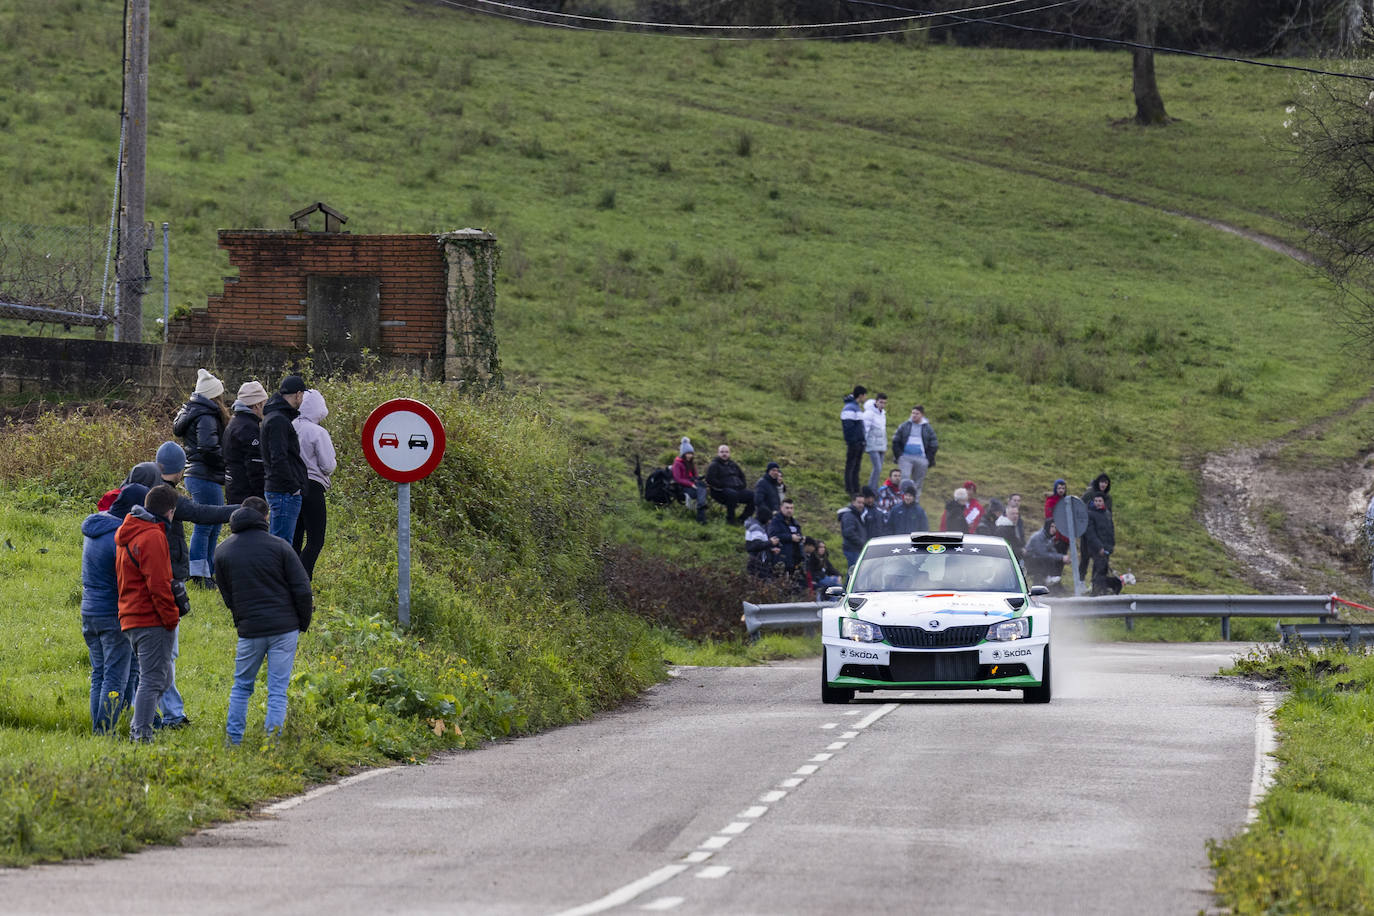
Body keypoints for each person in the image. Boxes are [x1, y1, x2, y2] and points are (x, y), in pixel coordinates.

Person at [124, 442, 237, 730]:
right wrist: (240, 510)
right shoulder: (165, 500)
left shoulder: (132, 499)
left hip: (133, 598)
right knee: (163, 659)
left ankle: (154, 715)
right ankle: (166, 716)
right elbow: (202, 513)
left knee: (149, 663)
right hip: (164, 582)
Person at [215, 496, 314, 746]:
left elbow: (227, 595)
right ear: (266, 517)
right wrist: (302, 622)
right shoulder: (280, 546)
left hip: (250, 629)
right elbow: (302, 589)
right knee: (277, 689)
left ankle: (233, 741)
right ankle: (272, 743)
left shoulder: (223, 551)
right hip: (285, 627)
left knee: (241, 687)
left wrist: (242, 619)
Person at [116, 484, 181, 743]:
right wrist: (171, 617)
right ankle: (140, 734)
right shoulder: (152, 536)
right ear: (170, 511)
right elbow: (159, 584)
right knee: (153, 680)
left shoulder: (128, 532)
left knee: (158, 678)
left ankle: (139, 727)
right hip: (150, 618)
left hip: (130, 616)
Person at [80, 483, 147, 734]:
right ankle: (105, 730)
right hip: (113, 614)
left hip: (90, 611)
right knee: (115, 677)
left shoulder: (96, 528)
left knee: (100, 673)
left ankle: (103, 726)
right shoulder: (120, 536)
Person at [173, 368, 230, 589]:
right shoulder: (206, 416)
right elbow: (208, 447)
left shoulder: (195, 412)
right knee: (206, 525)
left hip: (199, 474)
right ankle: (198, 574)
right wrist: (224, 463)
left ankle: (207, 570)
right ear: (214, 396)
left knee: (213, 523)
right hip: (204, 474)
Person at [292, 388, 337, 578]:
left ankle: (289, 574)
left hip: (292, 486)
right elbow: (327, 465)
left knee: (295, 536)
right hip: (313, 487)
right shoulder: (318, 432)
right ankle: (302, 577)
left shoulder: (289, 425)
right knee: (315, 539)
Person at [261, 374, 310, 543]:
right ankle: (274, 571)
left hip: (281, 490)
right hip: (283, 491)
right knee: (281, 544)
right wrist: (293, 487)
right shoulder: (278, 421)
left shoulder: (274, 417)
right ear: (298, 394)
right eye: (302, 395)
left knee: (279, 542)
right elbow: (278, 458)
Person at [224, 380, 269, 504]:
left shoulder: (233, 422)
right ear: (257, 405)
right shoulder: (249, 428)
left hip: (233, 488)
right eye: (264, 403)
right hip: (247, 494)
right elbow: (255, 466)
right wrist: (261, 497)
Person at [891, 405, 938, 502]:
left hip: (921, 458)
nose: (914, 415)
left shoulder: (927, 428)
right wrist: (899, 455)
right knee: (904, 479)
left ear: (922, 415)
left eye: (917, 414)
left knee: (918, 482)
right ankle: (901, 501)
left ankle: (915, 502)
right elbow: (896, 439)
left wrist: (927, 459)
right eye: (913, 413)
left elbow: (934, 443)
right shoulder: (905, 425)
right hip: (905, 457)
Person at [704, 444, 755, 524]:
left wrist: (742, 485)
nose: (724, 454)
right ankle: (730, 520)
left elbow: (742, 476)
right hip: (720, 491)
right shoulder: (714, 465)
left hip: (738, 489)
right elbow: (710, 479)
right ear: (718, 453)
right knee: (732, 495)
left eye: (726, 452)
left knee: (754, 496)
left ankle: (742, 519)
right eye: (722, 452)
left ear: (729, 453)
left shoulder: (733, 464)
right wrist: (723, 485)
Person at [1083, 492, 1117, 595]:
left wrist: (1111, 546)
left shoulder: (1107, 513)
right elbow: (1091, 533)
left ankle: (1101, 590)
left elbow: (1111, 530)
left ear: (1103, 502)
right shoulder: (1090, 514)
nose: (1098, 503)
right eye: (1096, 501)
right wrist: (1099, 547)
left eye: (1100, 501)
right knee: (1099, 569)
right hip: (1096, 548)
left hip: (1107, 548)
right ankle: (1097, 591)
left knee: (1104, 569)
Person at [670, 438, 709, 524]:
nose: (690, 456)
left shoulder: (691, 463)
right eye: (688, 453)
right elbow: (678, 479)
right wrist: (691, 484)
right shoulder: (677, 464)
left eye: (691, 454)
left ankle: (701, 514)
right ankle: (701, 513)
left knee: (702, 485)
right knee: (701, 491)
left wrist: (697, 480)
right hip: (683, 487)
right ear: (683, 454)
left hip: (693, 484)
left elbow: (695, 476)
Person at [1024, 518, 1069, 589]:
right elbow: (1041, 553)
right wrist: (1061, 557)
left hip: (1038, 560)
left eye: (1055, 527)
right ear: (1047, 526)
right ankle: (1042, 583)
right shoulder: (1038, 537)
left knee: (1054, 559)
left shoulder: (1049, 537)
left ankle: (1051, 581)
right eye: (1052, 526)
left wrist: (1062, 557)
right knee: (1044, 559)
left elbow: (1052, 551)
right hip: (1028, 561)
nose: (1054, 529)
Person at [841, 385, 867, 496]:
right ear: (861, 395)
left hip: (859, 442)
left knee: (856, 466)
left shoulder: (856, 407)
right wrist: (853, 441)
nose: (865, 398)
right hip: (854, 443)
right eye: (865, 395)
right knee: (851, 465)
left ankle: (856, 488)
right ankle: (849, 488)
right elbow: (848, 427)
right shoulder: (850, 408)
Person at [767, 498, 804, 572]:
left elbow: (799, 534)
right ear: (781, 508)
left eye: (791, 508)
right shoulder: (775, 521)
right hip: (780, 557)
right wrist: (790, 537)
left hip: (794, 557)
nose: (789, 510)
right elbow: (773, 536)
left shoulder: (794, 522)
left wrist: (801, 538)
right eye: (787, 508)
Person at [744, 508, 783, 578]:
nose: (770, 522)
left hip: (758, 562)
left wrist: (770, 550)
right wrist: (771, 542)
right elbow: (756, 545)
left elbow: (757, 545)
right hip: (756, 563)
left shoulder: (757, 526)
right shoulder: (756, 528)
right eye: (769, 519)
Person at [862, 392, 888, 493]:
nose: (882, 405)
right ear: (876, 401)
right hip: (872, 444)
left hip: (881, 444)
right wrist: (864, 442)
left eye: (884, 403)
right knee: (877, 467)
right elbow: (865, 428)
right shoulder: (869, 413)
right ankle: (871, 489)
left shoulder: (883, 414)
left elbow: (883, 429)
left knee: (879, 468)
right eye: (881, 402)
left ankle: (874, 487)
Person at [838, 492, 870, 567]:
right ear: (853, 502)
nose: (861, 505)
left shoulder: (857, 514)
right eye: (859, 502)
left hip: (857, 549)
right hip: (852, 549)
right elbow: (849, 532)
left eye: (862, 503)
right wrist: (862, 543)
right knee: (853, 572)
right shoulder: (849, 515)